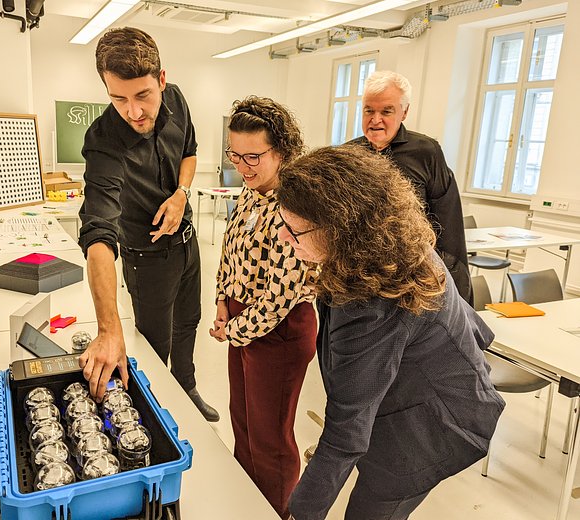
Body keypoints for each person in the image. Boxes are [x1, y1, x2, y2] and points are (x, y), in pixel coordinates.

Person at [277, 146, 505, 520]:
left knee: (374, 508)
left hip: (431, 429)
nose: (285, 239)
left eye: (294, 231)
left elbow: (346, 430)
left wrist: (298, 514)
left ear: (340, 228)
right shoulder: (390, 241)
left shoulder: (371, 298)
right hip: (412, 394)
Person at [77, 27, 218, 422]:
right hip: (147, 258)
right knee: (154, 343)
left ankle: (187, 390)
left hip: (187, 245)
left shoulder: (176, 100)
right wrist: (108, 328)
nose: (133, 111)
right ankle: (157, 415)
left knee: (188, 322)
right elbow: (98, 231)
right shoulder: (103, 141)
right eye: (118, 98)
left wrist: (181, 194)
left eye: (142, 96)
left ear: (161, 80)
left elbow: (189, 153)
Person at [210, 96, 318, 518]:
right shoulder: (250, 189)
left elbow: (280, 294)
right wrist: (222, 299)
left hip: (281, 329)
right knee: (244, 422)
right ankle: (245, 501)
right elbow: (229, 247)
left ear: (283, 151)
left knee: (270, 437)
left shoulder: (297, 203)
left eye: (253, 156)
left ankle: (276, 509)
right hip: (241, 320)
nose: (243, 165)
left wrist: (231, 331)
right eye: (235, 155)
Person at [348, 70, 472, 305]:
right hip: (360, 278)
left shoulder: (426, 152)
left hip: (411, 279)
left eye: (386, 111)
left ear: (404, 112)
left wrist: (456, 291)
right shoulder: (347, 155)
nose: (375, 120)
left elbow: (448, 222)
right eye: (368, 110)